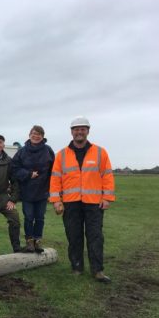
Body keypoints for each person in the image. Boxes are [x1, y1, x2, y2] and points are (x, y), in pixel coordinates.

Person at [49, 117, 115, 283]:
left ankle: (97, 271)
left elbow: (107, 176)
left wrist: (107, 197)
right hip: (71, 203)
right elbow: (55, 179)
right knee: (74, 236)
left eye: (82, 129)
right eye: (76, 129)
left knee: (95, 236)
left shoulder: (100, 152)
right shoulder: (61, 155)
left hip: (94, 202)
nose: (79, 132)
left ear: (88, 131)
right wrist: (56, 200)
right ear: (71, 132)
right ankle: (77, 267)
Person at [12, 125, 55, 253]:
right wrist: (28, 174)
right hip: (27, 191)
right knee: (29, 217)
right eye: (34, 133)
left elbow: (54, 170)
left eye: (39, 134)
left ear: (42, 136)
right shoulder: (22, 151)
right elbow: (14, 169)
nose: (36, 136)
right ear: (29, 135)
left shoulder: (48, 150)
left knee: (40, 217)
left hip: (43, 191)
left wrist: (53, 190)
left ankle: (38, 241)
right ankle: (29, 241)